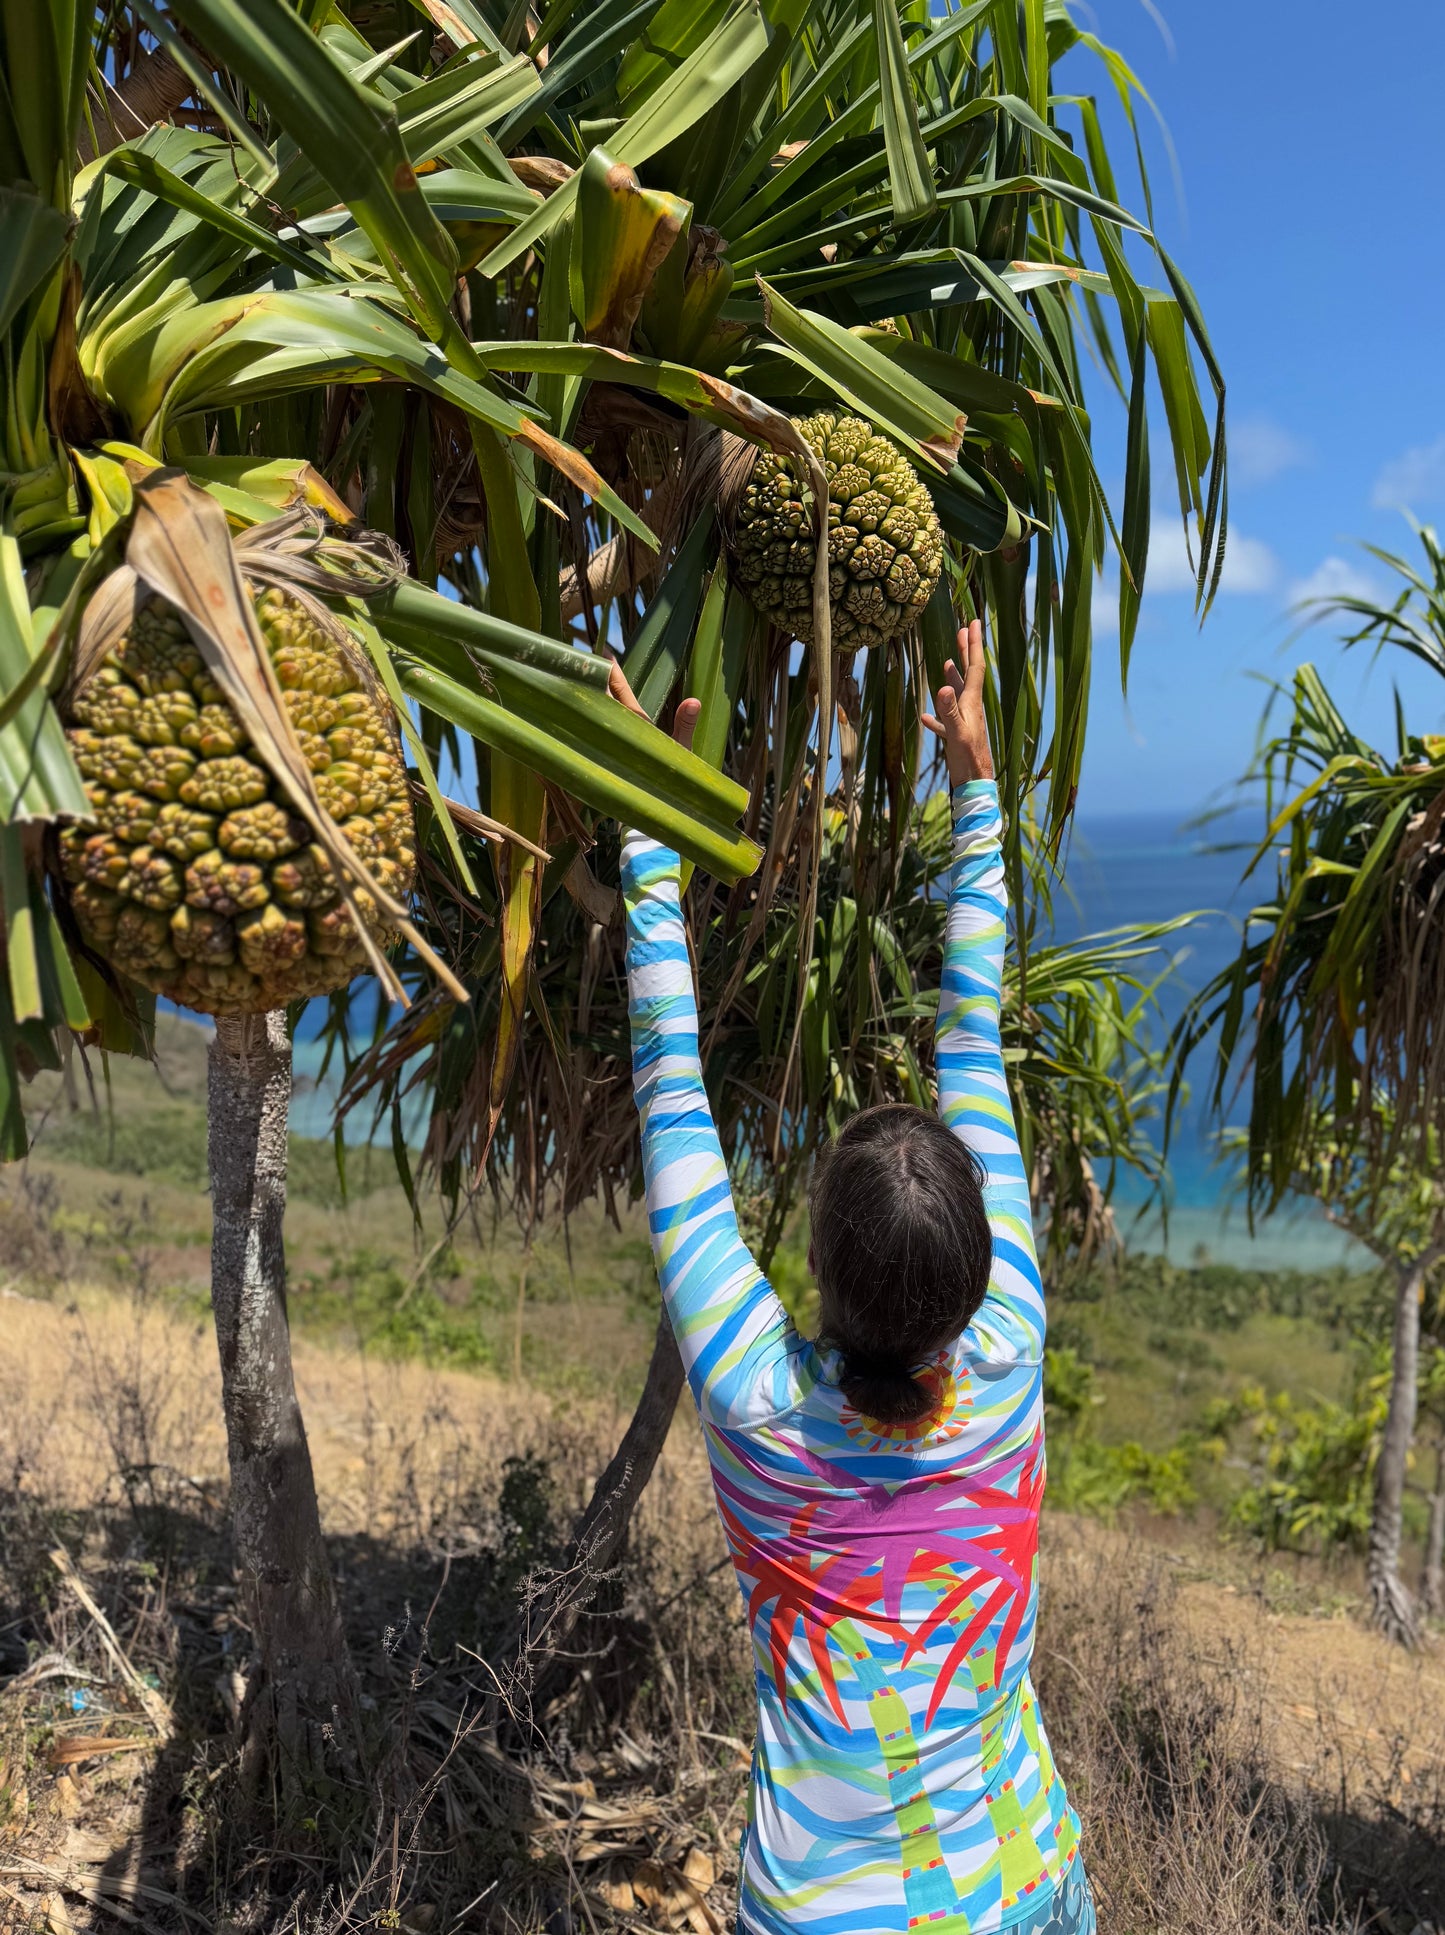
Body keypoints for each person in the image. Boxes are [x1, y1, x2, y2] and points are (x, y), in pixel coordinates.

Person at [609, 622, 1094, 1935]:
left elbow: (672, 1094)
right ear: (983, 1265)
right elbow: (971, 1034)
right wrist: (973, 788)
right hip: (1029, 1889)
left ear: (809, 1269)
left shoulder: (757, 1403)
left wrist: (653, 835)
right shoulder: (1006, 1352)